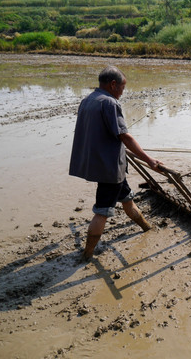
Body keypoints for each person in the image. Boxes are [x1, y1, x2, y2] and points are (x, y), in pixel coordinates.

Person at [69, 66, 163, 261]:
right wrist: (149, 160)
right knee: (102, 212)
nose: (122, 92)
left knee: (127, 199)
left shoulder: (88, 100)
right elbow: (125, 137)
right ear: (113, 85)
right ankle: (87, 254)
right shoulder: (110, 103)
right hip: (110, 168)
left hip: (102, 164)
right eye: (122, 87)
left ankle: (147, 228)